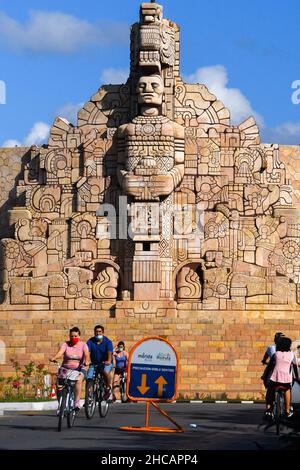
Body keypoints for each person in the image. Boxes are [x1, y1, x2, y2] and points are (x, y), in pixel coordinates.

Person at [50, 326, 90, 410]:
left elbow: (87, 355)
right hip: (66, 368)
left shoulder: (83, 345)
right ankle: (60, 404)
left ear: (79, 336)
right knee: (59, 386)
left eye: (75, 336)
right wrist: (54, 357)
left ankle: (77, 402)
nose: (73, 338)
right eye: (72, 336)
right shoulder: (65, 344)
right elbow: (60, 352)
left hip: (79, 368)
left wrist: (87, 361)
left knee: (79, 380)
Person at [263, 336, 300, 420]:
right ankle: (287, 411)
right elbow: (295, 367)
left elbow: (269, 367)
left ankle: (269, 411)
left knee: (270, 391)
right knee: (287, 390)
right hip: (286, 380)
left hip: (275, 379)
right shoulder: (291, 355)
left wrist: (265, 377)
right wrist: (297, 377)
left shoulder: (276, 354)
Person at [86, 325, 114, 401]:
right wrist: (87, 361)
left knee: (105, 371)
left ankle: (108, 388)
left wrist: (108, 361)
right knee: (89, 378)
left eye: (100, 332)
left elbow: (109, 353)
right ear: (94, 332)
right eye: (96, 332)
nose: (98, 333)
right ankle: (88, 397)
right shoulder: (90, 341)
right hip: (94, 363)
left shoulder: (108, 342)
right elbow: (87, 352)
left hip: (106, 362)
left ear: (103, 332)